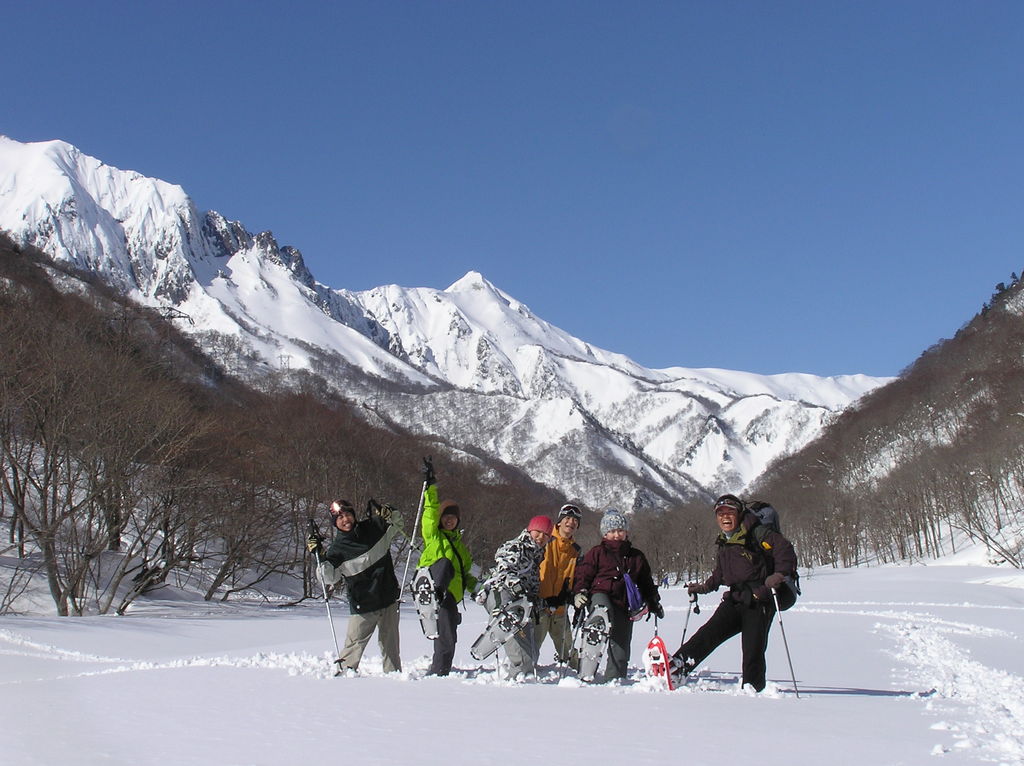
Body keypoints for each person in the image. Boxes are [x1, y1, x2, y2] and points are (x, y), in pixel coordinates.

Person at [669, 493, 798, 692]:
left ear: (739, 513)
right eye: (720, 514)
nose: (725, 517)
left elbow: (785, 550)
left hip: (760, 598)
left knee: (752, 646)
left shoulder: (758, 532)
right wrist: (703, 588)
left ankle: (753, 689)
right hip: (736, 597)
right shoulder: (725, 541)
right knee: (709, 632)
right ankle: (676, 667)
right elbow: (720, 574)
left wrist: (778, 576)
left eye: (730, 512)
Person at [306, 499, 402, 673]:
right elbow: (328, 578)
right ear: (335, 523)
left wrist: (389, 510)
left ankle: (394, 678)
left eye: (348, 514)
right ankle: (344, 677)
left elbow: (398, 522)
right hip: (363, 604)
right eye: (340, 517)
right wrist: (319, 555)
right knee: (353, 646)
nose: (346, 519)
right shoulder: (337, 550)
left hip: (388, 598)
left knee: (391, 646)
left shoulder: (374, 527)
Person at [573, 509, 662, 681]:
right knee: (600, 614)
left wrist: (653, 601)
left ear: (626, 532)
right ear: (605, 533)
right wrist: (580, 591)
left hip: (624, 603)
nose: (616, 535)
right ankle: (586, 669)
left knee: (621, 645)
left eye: (620, 530)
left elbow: (646, 582)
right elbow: (583, 574)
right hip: (601, 594)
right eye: (612, 531)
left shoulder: (636, 556)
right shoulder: (597, 552)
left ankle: (615, 680)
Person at [416, 458, 478, 676]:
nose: (449, 521)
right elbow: (430, 512)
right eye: (446, 517)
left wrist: (478, 589)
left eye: (453, 518)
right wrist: (431, 486)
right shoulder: (433, 536)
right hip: (431, 581)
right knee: (445, 564)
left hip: (449, 595)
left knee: (448, 634)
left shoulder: (461, 549)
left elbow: (466, 575)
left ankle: (440, 671)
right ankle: (431, 595)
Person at [475, 515, 554, 678]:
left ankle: (522, 669)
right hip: (501, 591)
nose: (541, 537)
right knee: (507, 618)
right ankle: (518, 673)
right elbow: (504, 566)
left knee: (530, 657)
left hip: (519, 602)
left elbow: (531, 587)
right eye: (538, 532)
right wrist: (516, 585)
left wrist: (541, 603)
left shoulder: (537, 554)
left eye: (546, 535)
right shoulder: (517, 546)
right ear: (530, 530)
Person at [535, 503, 582, 669]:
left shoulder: (575, 550)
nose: (571, 522)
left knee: (569, 653)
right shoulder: (544, 539)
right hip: (539, 608)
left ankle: (583, 676)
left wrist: (571, 594)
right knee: (529, 652)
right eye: (567, 518)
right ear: (560, 521)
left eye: (575, 520)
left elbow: (575, 577)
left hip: (560, 609)